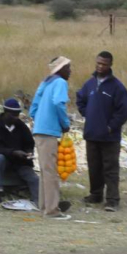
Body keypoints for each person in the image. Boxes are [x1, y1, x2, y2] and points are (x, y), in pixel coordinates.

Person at [76, 51, 127, 212]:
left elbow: (123, 112)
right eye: (98, 63)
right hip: (91, 134)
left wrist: (110, 126)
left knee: (110, 169)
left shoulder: (117, 87)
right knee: (94, 167)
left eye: (104, 64)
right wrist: (89, 116)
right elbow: (80, 99)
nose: (100, 66)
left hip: (109, 137)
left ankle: (112, 200)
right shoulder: (90, 84)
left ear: (110, 65)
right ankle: (95, 194)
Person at [29, 56, 73, 220]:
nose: (70, 71)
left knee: (45, 170)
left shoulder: (45, 82)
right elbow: (58, 103)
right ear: (60, 69)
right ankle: (52, 210)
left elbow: (34, 106)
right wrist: (65, 123)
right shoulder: (60, 82)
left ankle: (44, 207)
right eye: (68, 67)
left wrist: (38, 119)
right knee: (51, 172)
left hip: (39, 130)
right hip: (49, 131)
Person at [0, 98, 39, 208]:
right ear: (5, 113)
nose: (16, 118)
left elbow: (29, 143)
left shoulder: (21, 126)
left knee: (35, 179)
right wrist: (13, 152)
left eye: (17, 115)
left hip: (20, 162)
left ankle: (38, 202)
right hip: (3, 162)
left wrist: (28, 153)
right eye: (13, 115)